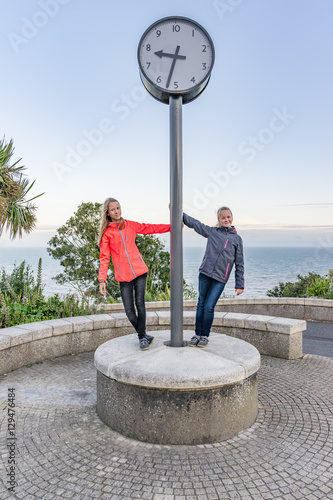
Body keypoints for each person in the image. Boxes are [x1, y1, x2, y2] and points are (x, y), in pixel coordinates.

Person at [98, 198, 170, 350]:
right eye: (113, 209)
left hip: (139, 271)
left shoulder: (129, 225)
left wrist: (171, 227)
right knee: (129, 312)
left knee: (140, 304)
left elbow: (150, 228)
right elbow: (104, 258)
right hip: (123, 276)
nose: (117, 211)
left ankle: (141, 338)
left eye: (118, 208)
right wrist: (102, 280)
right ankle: (143, 334)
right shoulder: (107, 234)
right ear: (107, 213)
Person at [183, 206, 244, 347]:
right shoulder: (212, 232)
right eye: (223, 217)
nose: (226, 219)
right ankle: (197, 334)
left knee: (209, 307)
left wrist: (239, 284)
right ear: (219, 220)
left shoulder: (237, 239)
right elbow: (195, 224)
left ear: (232, 218)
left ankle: (205, 335)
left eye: (228, 217)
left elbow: (240, 263)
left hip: (220, 278)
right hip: (205, 273)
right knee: (201, 304)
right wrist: (179, 212)